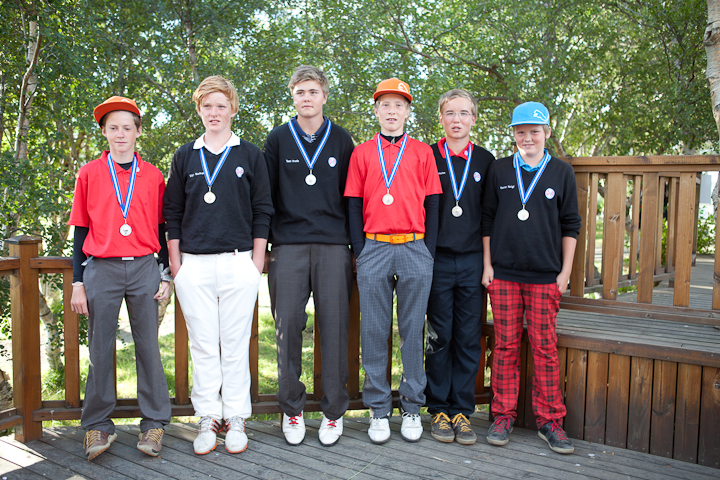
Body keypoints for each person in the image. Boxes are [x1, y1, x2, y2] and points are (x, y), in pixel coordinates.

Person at [164, 75, 273, 455]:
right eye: (207, 105)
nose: (214, 112)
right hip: (193, 266)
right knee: (204, 346)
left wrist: (256, 261)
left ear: (233, 110)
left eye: (221, 105)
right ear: (199, 110)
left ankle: (236, 417)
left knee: (236, 345)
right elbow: (172, 212)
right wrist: (176, 264)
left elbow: (263, 209)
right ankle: (208, 416)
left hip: (238, 263)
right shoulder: (184, 156)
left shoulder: (250, 154)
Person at [70, 96, 172, 461]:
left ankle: (154, 423)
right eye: (113, 128)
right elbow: (80, 231)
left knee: (148, 347)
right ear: (104, 132)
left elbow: (162, 229)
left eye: (127, 128)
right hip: (102, 269)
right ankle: (98, 425)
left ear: (138, 132)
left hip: (144, 267)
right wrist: (78, 281)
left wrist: (165, 273)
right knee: (99, 348)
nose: (120, 134)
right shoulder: (89, 173)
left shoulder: (153, 175)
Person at [344, 78, 442, 444]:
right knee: (374, 329)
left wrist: (428, 249)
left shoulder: (422, 152)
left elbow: (434, 202)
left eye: (399, 105)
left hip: (415, 247)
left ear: (407, 111)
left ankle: (412, 406)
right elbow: (353, 203)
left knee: (413, 330)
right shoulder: (361, 153)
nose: (391, 111)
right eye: (385, 104)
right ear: (376, 110)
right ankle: (378, 408)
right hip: (375, 247)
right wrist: (360, 249)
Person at [481, 101, 581, 454]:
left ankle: (550, 421)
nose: (527, 138)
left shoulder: (561, 172)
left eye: (534, 131)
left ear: (547, 133)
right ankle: (502, 415)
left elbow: (571, 225)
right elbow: (487, 219)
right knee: (505, 347)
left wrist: (564, 273)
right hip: (504, 274)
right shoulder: (499, 169)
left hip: (545, 277)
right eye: (520, 132)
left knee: (545, 349)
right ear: (513, 134)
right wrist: (488, 266)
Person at [263, 65, 354, 447]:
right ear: (293, 96)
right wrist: (266, 246)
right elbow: (266, 197)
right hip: (288, 247)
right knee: (287, 329)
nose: (306, 98)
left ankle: (333, 413)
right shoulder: (278, 139)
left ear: (324, 96)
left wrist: (355, 247)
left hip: (333, 246)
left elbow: (353, 198)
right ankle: (292, 409)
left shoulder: (343, 140)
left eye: (313, 91)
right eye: (300, 92)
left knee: (334, 329)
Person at [424, 89, 495, 445]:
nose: (457, 119)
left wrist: (488, 263)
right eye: (450, 113)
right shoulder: (426, 155)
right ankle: (438, 409)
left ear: (473, 119)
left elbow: (489, 216)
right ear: (441, 117)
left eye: (464, 113)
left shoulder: (486, 160)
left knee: (468, 338)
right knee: (439, 338)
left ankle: (462, 412)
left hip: (471, 262)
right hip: (436, 259)